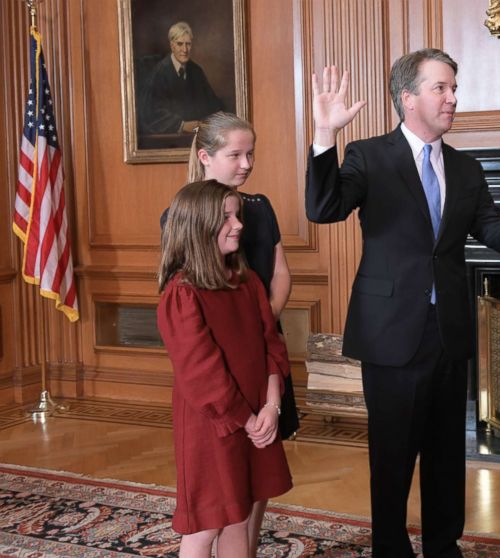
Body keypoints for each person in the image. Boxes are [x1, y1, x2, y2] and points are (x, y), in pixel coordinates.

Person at [305, 49, 500, 557]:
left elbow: (491, 224)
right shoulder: (369, 155)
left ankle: (442, 544)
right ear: (408, 97)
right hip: (391, 329)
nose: (454, 97)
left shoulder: (465, 165)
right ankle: (390, 545)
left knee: (446, 450)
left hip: (449, 327)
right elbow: (323, 208)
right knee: (392, 453)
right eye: (442, 88)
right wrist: (325, 138)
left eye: (455, 87)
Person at [159, 111, 299, 557]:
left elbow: (271, 344)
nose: (239, 225)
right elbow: (202, 372)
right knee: (207, 522)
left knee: (240, 514)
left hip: (258, 411)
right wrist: (247, 417)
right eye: (228, 219)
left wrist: (271, 407)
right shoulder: (183, 293)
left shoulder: (247, 282)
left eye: (237, 216)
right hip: (217, 423)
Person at [139, 21, 223, 135]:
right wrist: (182, 125)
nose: (185, 49)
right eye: (180, 44)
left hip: (196, 134)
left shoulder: (196, 71)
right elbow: (152, 112)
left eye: (188, 44)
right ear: (172, 45)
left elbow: (212, 105)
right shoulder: (160, 72)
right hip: (169, 138)